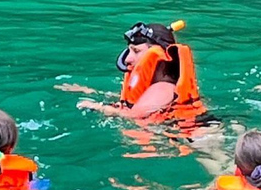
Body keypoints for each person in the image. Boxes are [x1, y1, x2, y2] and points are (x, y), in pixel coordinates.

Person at [57, 20, 207, 124]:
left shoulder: (162, 88)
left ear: (159, 54)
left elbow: (133, 116)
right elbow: (137, 103)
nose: (128, 59)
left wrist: (98, 107)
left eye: (136, 51)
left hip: (199, 138)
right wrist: (90, 91)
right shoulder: (155, 87)